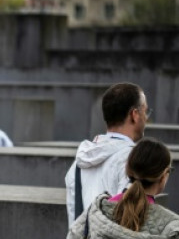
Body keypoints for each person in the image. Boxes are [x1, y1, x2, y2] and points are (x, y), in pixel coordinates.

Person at [64, 82, 150, 222]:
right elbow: (130, 222)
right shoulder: (133, 160)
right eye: (145, 111)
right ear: (134, 115)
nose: (146, 118)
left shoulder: (78, 163)